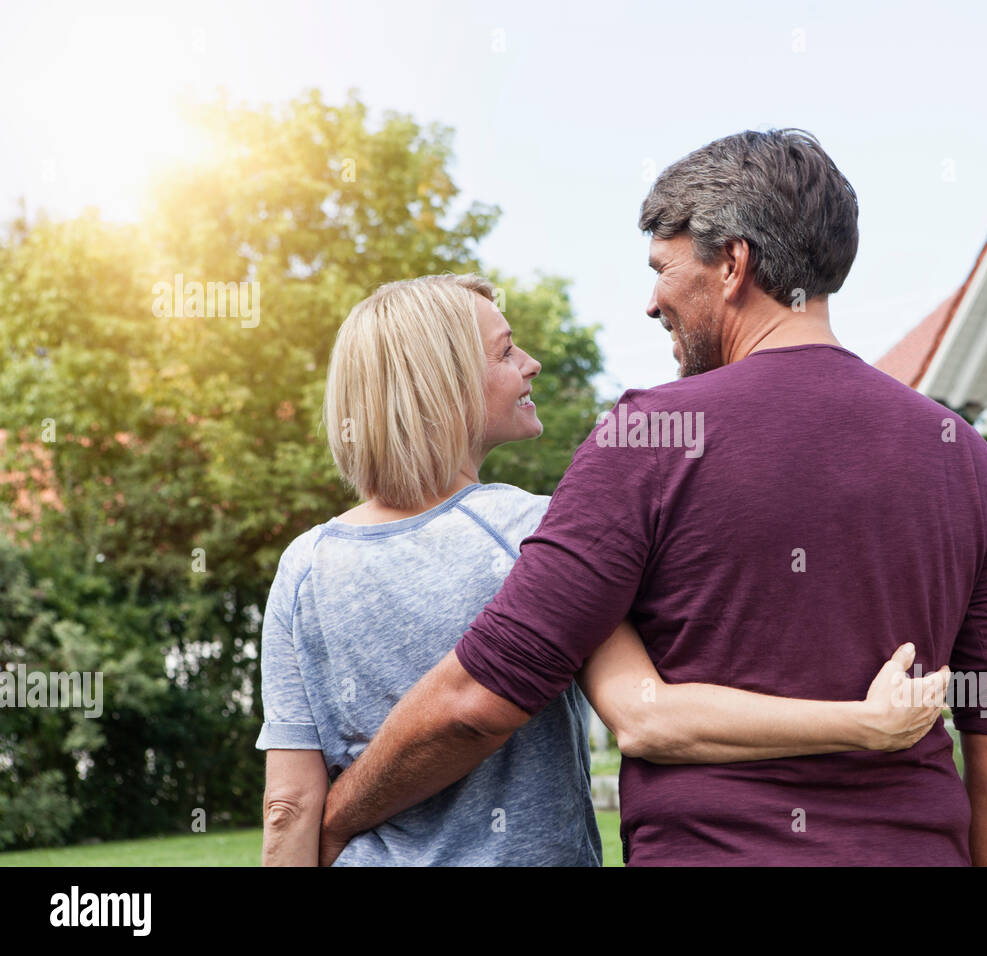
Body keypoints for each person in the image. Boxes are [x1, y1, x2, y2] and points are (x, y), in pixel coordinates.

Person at [318, 129, 987, 867]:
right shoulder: (962, 456)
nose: (651, 303)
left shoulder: (649, 441)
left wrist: (338, 813)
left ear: (732, 263)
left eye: (663, 269)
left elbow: (480, 702)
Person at [257, 272, 949, 866]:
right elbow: (648, 718)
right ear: (442, 384)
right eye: (506, 351)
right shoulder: (534, 533)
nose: (530, 363)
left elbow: (288, 805)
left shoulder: (305, 565)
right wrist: (863, 723)